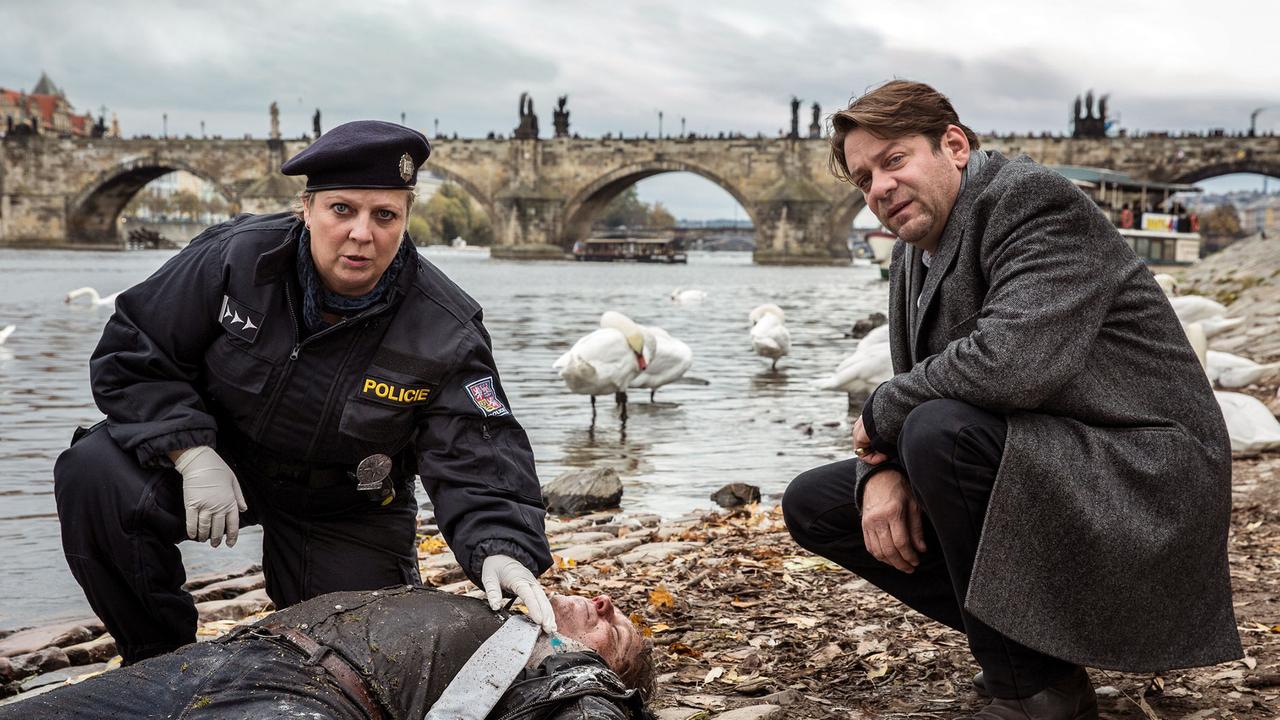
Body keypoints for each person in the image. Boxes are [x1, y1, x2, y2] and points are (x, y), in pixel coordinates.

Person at [782, 80, 1240, 720]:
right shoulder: (915, 250)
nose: (879, 189)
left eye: (893, 161)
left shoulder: (1035, 204)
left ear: (954, 145)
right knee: (817, 504)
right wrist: (879, 468)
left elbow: (1011, 365)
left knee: (939, 432)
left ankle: (1036, 692)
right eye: (863, 180)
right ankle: (1032, 653)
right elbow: (924, 381)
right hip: (1051, 459)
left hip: (1144, 475)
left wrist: (883, 415)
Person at [53, 120, 555, 666]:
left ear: (406, 219)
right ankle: (156, 659)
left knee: (364, 662)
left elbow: (477, 449)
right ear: (307, 207)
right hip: (224, 462)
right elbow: (132, 350)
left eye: (384, 215)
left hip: (346, 502)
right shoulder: (234, 258)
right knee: (92, 472)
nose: (362, 233)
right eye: (342, 209)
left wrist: (502, 548)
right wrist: (189, 451)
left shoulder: (446, 327)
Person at [0, 586, 655, 719]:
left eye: (615, 628)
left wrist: (590, 669)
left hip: (310, 698)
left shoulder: (561, 669)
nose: (603, 603)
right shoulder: (486, 600)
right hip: (211, 663)